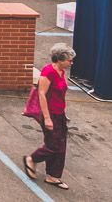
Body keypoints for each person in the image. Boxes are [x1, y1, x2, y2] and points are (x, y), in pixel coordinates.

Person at [24, 43, 75, 191]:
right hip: (50, 113)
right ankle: (32, 159)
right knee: (54, 145)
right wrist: (47, 118)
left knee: (61, 144)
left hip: (59, 113)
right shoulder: (48, 72)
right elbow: (42, 95)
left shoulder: (61, 71)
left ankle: (53, 175)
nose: (71, 63)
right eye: (69, 60)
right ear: (60, 59)